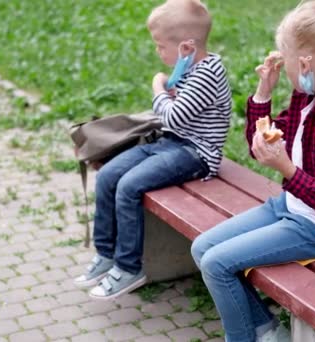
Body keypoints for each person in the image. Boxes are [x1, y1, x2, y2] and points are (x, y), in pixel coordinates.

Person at [190, 1, 315, 341]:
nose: (286, 69)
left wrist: (287, 169)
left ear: (306, 62)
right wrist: (263, 94)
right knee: (202, 248)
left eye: (286, 59)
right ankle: (267, 332)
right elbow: (258, 143)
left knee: (217, 264)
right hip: (290, 207)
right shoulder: (308, 99)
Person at [74, 0, 232, 300]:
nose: (158, 53)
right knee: (108, 175)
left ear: (187, 45)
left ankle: (129, 267)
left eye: (161, 46)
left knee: (129, 186)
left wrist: (158, 87)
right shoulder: (189, 66)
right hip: (170, 143)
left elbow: (170, 115)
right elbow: (175, 111)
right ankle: (107, 254)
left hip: (196, 154)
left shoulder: (209, 73)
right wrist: (173, 82)